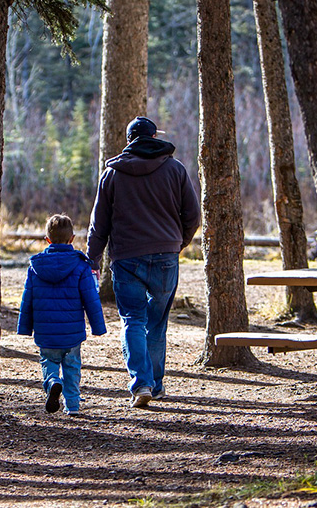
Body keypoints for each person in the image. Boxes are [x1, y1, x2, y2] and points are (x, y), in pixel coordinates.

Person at [87, 116, 201, 408]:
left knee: (133, 321)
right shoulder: (175, 169)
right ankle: (157, 384)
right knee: (157, 323)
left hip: (126, 258)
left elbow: (99, 224)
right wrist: (178, 242)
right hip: (165, 256)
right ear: (153, 137)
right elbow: (192, 216)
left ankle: (142, 384)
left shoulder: (112, 174)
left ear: (129, 141)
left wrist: (93, 259)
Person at [17, 214, 107, 415]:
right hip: (72, 331)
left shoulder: (36, 268)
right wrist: (98, 326)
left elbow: (27, 298)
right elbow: (90, 298)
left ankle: (52, 383)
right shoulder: (81, 266)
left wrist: (24, 327)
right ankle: (72, 406)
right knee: (72, 367)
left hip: (45, 330)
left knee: (48, 361)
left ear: (47, 240)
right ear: (72, 238)